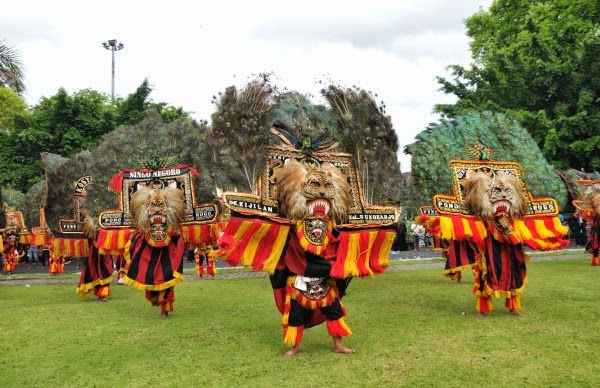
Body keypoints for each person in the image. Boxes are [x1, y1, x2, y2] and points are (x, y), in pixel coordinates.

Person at [123, 184, 186, 320]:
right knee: (150, 284)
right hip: (149, 254)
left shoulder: (171, 223)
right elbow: (141, 232)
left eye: (161, 205)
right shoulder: (144, 224)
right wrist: (135, 237)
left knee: (168, 283)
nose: (157, 208)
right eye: (154, 205)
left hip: (166, 254)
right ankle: (156, 299)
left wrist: (174, 234)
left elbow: (176, 233)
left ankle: (165, 310)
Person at [76, 214, 115, 301]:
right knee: (94, 272)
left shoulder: (104, 224)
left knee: (105, 271)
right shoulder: (87, 227)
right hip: (93, 254)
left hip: (104, 253)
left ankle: (102, 294)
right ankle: (100, 294)